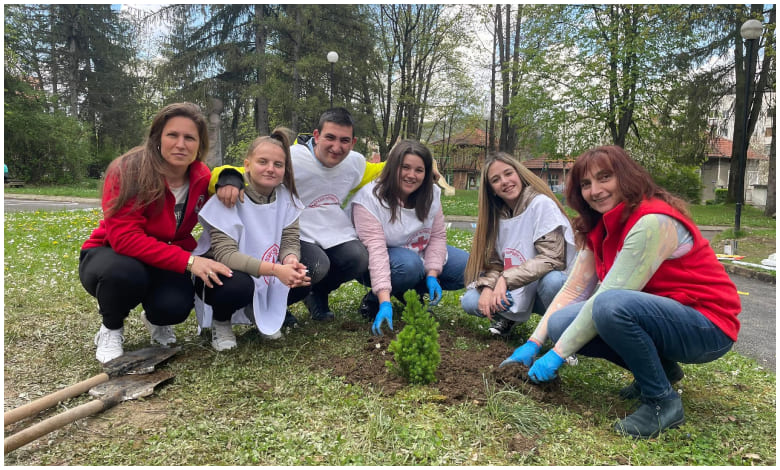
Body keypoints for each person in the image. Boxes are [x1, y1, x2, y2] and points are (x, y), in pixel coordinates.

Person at [500, 145, 741, 439]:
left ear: (626, 177)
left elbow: (610, 297)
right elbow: (574, 289)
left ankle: (661, 403)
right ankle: (662, 372)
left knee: (609, 306)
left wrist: (558, 355)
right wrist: (534, 342)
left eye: (605, 178)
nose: (595, 190)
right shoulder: (598, 226)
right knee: (562, 321)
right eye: (586, 184)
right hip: (666, 317)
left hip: (708, 326)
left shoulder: (652, 221)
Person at [79, 102, 232, 363]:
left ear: (200, 144)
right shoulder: (127, 170)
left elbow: (240, 174)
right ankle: (111, 327)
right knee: (124, 274)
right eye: (173, 135)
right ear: (157, 137)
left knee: (173, 307)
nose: (181, 144)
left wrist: (232, 179)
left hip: (165, 257)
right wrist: (190, 261)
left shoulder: (201, 175)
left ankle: (155, 320)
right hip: (112, 254)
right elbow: (124, 239)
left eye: (189, 138)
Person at [213, 108, 382, 324]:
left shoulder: (355, 163)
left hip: (332, 230)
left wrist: (424, 167)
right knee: (316, 264)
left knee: (357, 257)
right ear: (317, 135)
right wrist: (228, 179)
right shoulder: (292, 159)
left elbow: (381, 170)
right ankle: (271, 305)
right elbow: (248, 168)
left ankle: (316, 294)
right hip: (289, 234)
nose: (337, 147)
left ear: (353, 142)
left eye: (344, 140)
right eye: (330, 137)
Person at [192, 127, 310, 351]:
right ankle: (221, 320)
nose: (270, 169)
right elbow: (226, 256)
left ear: (285, 170)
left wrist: (291, 261)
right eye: (262, 162)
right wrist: (276, 270)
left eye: (278, 164)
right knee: (237, 285)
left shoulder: (286, 197)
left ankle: (256, 311)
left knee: (304, 278)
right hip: (221, 274)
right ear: (247, 165)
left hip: (266, 268)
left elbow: (290, 238)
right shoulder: (229, 198)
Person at [348, 140, 469, 335]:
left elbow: (437, 236)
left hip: (417, 254)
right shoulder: (369, 199)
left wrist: (432, 274)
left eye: (419, 170)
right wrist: (384, 302)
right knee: (410, 265)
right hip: (382, 261)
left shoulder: (431, 194)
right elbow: (377, 250)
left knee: (467, 267)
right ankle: (374, 298)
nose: (411, 175)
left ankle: (412, 294)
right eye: (405, 167)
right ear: (394, 166)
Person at [460, 152, 576, 336]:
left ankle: (563, 335)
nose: (505, 181)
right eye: (496, 179)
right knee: (470, 301)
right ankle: (508, 318)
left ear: (519, 174)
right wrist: (489, 286)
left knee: (553, 282)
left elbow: (553, 257)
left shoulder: (541, 204)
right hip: (516, 287)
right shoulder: (496, 216)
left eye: (508, 173)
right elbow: (496, 263)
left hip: (543, 286)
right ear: (491, 189)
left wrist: (505, 279)